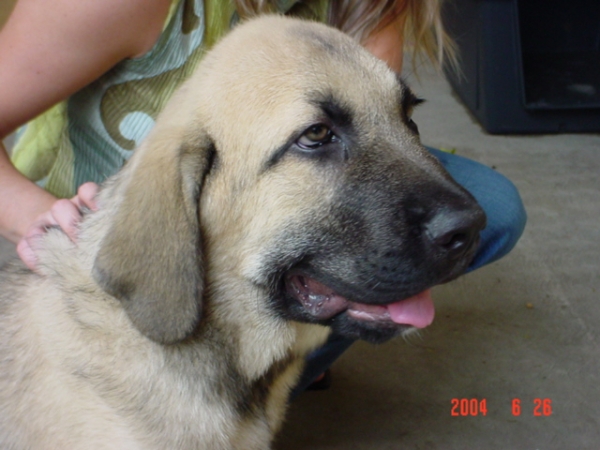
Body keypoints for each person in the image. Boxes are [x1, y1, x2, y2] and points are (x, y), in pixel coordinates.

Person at [0, 0, 526, 393]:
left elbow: (373, 137)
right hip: (136, 233)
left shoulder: (368, 4)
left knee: (488, 208)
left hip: (255, 211)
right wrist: (33, 215)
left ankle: (288, 362)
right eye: (317, 134)